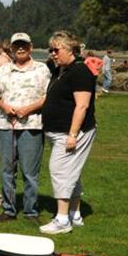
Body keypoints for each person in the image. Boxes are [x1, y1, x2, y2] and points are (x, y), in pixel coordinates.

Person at [39, 31, 96, 235]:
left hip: (71, 132)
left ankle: (62, 220)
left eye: (56, 49)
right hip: (58, 131)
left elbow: (82, 106)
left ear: (70, 50)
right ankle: (75, 213)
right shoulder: (61, 70)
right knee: (72, 172)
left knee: (59, 170)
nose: (52, 54)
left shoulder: (80, 72)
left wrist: (72, 135)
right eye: (50, 50)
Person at [0, 33, 50, 220]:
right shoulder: (4, 69)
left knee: (30, 171)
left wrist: (28, 110)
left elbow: (47, 97)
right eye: (17, 45)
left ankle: (30, 211)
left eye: (24, 45)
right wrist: (5, 107)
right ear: (12, 48)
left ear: (30, 47)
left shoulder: (42, 69)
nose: (20, 48)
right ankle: (9, 209)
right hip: (6, 126)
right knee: (7, 170)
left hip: (32, 125)